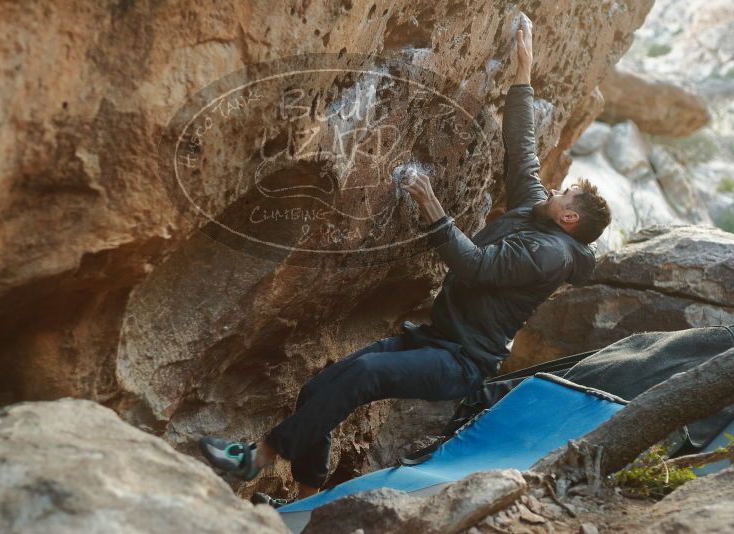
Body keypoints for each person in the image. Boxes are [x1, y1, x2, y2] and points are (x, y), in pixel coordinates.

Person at [198, 17, 612, 507]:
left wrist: (430, 203)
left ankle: (256, 459)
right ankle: (307, 499)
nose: (554, 187)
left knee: (364, 374)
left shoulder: (547, 254)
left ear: (567, 219)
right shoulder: (537, 213)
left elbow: (475, 266)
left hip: (461, 361)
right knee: (320, 387)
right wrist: (523, 71)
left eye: (563, 193)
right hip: (436, 338)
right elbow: (520, 152)